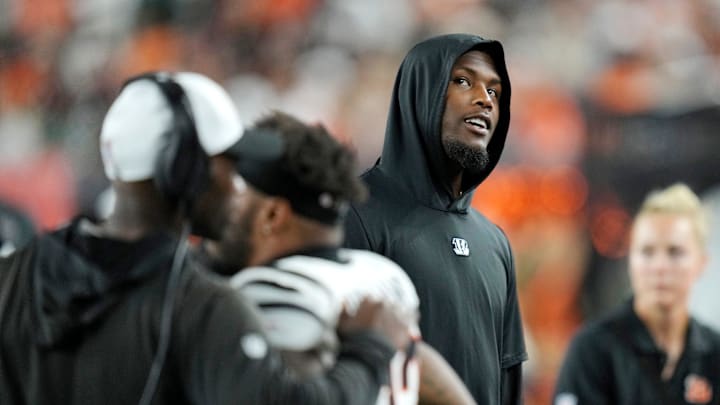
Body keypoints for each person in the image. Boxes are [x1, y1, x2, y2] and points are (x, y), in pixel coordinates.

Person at [0, 71, 411, 405]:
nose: (236, 185)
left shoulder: (11, 274)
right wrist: (370, 347)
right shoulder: (201, 306)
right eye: (228, 164)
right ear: (185, 170)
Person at [199, 111, 476, 405]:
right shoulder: (380, 274)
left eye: (238, 190)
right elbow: (420, 362)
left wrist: (368, 349)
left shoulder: (277, 289)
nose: (221, 203)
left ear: (272, 215)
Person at [343, 33, 527, 404]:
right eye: (463, 81)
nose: (484, 100)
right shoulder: (354, 215)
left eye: (495, 92)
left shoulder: (494, 242)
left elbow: (508, 382)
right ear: (419, 91)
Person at [553, 183, 720, 405]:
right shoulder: (593, 350)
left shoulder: (715, 353)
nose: (660, 266)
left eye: (675, 252)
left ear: (701, 263)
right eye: (647, 251)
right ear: (630, 261)